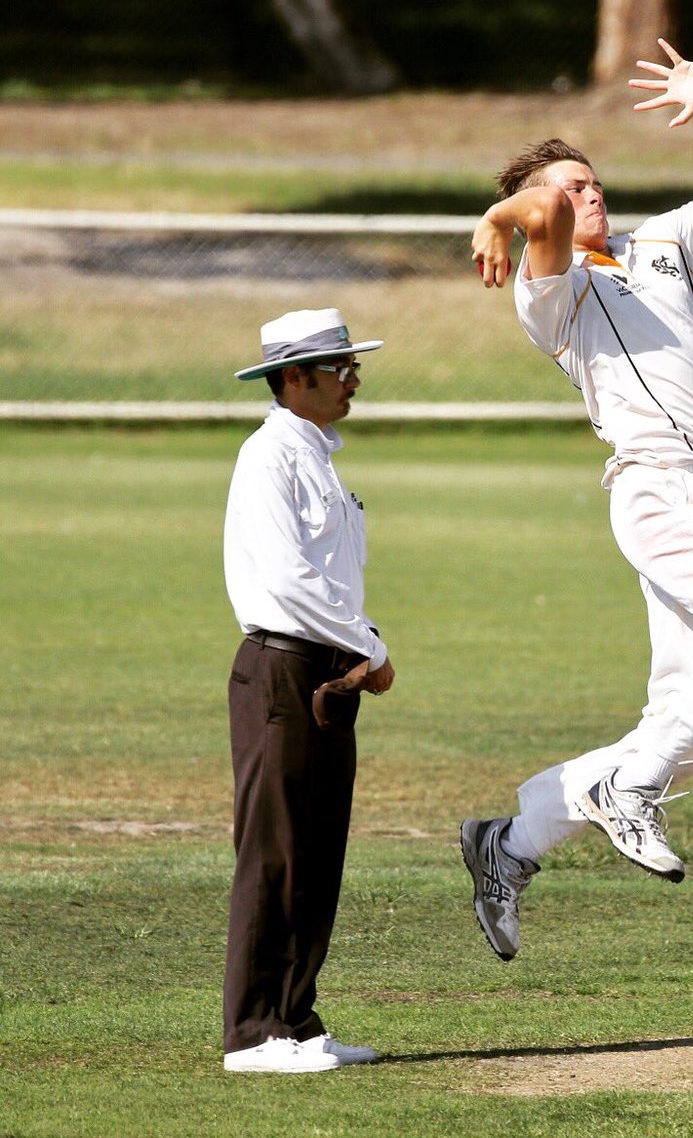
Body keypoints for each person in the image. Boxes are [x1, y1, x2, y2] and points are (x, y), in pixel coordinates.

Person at [462, 40, 693, 960]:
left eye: (593, 182)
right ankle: (630, 790)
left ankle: (513, 840)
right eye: (572, 187)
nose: (589, 195)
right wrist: (504, 211)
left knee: (692, 730)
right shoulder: (554, 291)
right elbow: (537, 212)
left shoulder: (663, 242)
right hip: (660, 487)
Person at [222, 307, 396, 1072]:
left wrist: (356, 647)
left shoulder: (318, 456)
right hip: (282, 669)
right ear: (295, 379)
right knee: (274, 850)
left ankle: (296, 1019)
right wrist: (373, 646)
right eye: (341, 367)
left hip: (326, 670)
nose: (353, 379)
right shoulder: (270, 458)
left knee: (319, 848)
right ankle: (253, 1032)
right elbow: (290, 580)